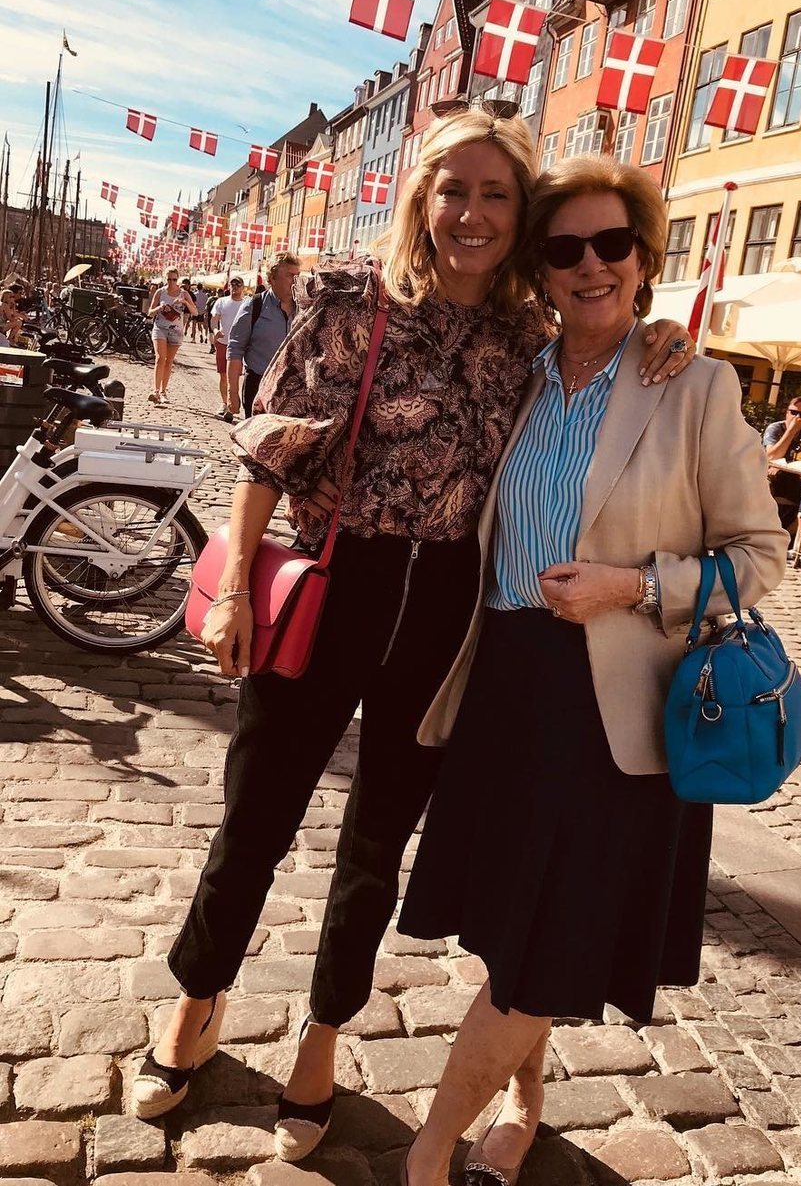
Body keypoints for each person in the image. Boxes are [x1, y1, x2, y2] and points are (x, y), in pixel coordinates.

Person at [130, 108, 696, 1162]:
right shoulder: (353, 300)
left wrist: (660, 334)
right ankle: (197, 1000)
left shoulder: (526, 339)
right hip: (332, 584)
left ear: (515, 213)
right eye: (454, 191)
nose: (472, 214)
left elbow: (605, 350)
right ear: (420, 199)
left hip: (445, 615)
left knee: (374, 847)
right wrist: (231, 591)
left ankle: (322, 1032)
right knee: (253, 820)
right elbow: (270, 449)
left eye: (494, 196)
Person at [395, 155, 787, 1186]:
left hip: (612, 710)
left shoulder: (694, 384)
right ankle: (518, 1113)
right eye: (563, 249)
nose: (588, 265)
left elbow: (759, 559)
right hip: (509, 685)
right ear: (540, 267)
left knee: (538, 943)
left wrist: (632, 584)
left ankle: (427, 1152)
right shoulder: (522, 379)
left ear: (643, 258)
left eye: (609, 244)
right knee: (509, 929)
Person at [227, 252, 301, 418]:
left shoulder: (304, 308)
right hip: (258, 385)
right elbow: (235, 349)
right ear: (272, 278)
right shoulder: (255, 305)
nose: (295, 281)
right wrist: (232, 392)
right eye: (290, 275)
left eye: (297, 275)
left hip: (292, 389)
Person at [764, 397, 801, 530]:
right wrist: (790, 432)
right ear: (787, 413)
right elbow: (771, 456)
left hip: (796, 477)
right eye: (794, 412)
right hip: (772, 475)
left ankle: (792, 535)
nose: (797, 417)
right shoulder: (775, 428)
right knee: (765, 486)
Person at [147, 268, 197, 404]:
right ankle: (156, 391)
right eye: (169, 279)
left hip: (176, 331)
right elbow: (150, 312)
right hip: (160, 328)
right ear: (165, 279)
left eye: (174, 279)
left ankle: (163, 391)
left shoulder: (184, 293)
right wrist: (159, 308)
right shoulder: (160, 292)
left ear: (178, 279)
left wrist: (185, 302)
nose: (171, 282)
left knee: (169, 361)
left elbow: (195, 312)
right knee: (160, 358)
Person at [211, 278, 247, 422]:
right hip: (223, 342)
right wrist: (215, 331)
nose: (235, 287)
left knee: (235, 376)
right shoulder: (221, 302)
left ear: (243, 287)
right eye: (232, 284)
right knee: (223, 375)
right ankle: (225, 403)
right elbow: (214, 319)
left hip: (239, 344)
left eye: (238, 285)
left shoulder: (246, 303)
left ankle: (233, 401)